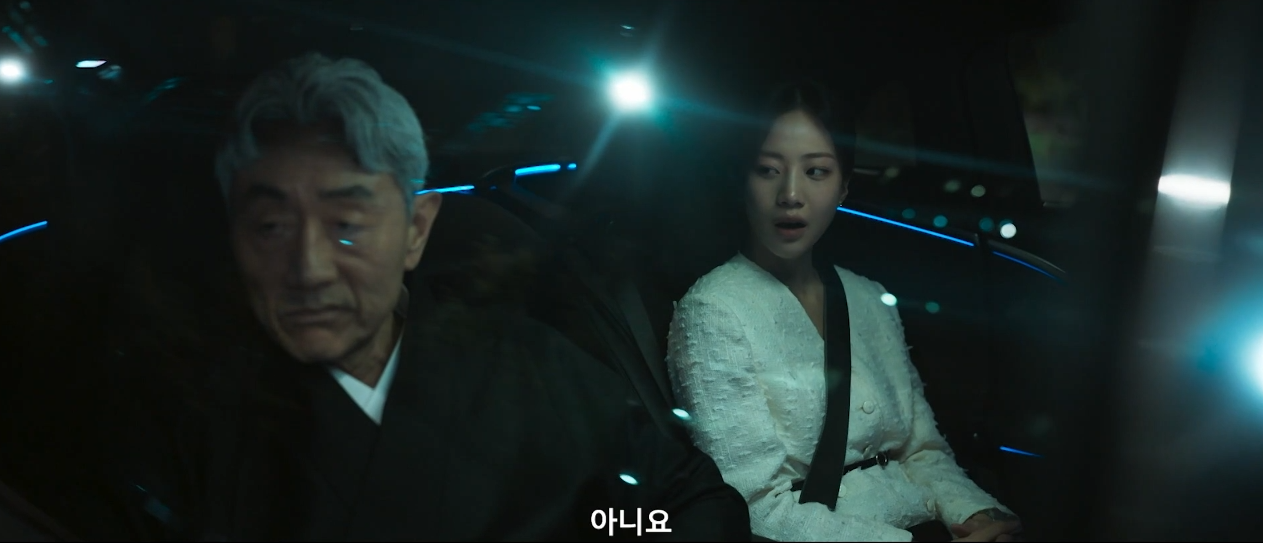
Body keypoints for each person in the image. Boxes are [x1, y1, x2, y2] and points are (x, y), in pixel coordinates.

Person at [90, 52, 749, 541]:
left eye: (347, 224)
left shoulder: (526, 368)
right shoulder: (191, 423)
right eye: (270, 226)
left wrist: (606, 528)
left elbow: (673, 503)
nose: (308, 268)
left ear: (416, 229)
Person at [665, 82, 1023, 542]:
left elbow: (922, 451)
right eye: (768, 170)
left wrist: (976, 516)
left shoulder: (869, 297)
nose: (790, 194)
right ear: (742, 180)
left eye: (816, 171)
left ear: (844, 187)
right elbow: (753, 507)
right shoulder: (713, 312)